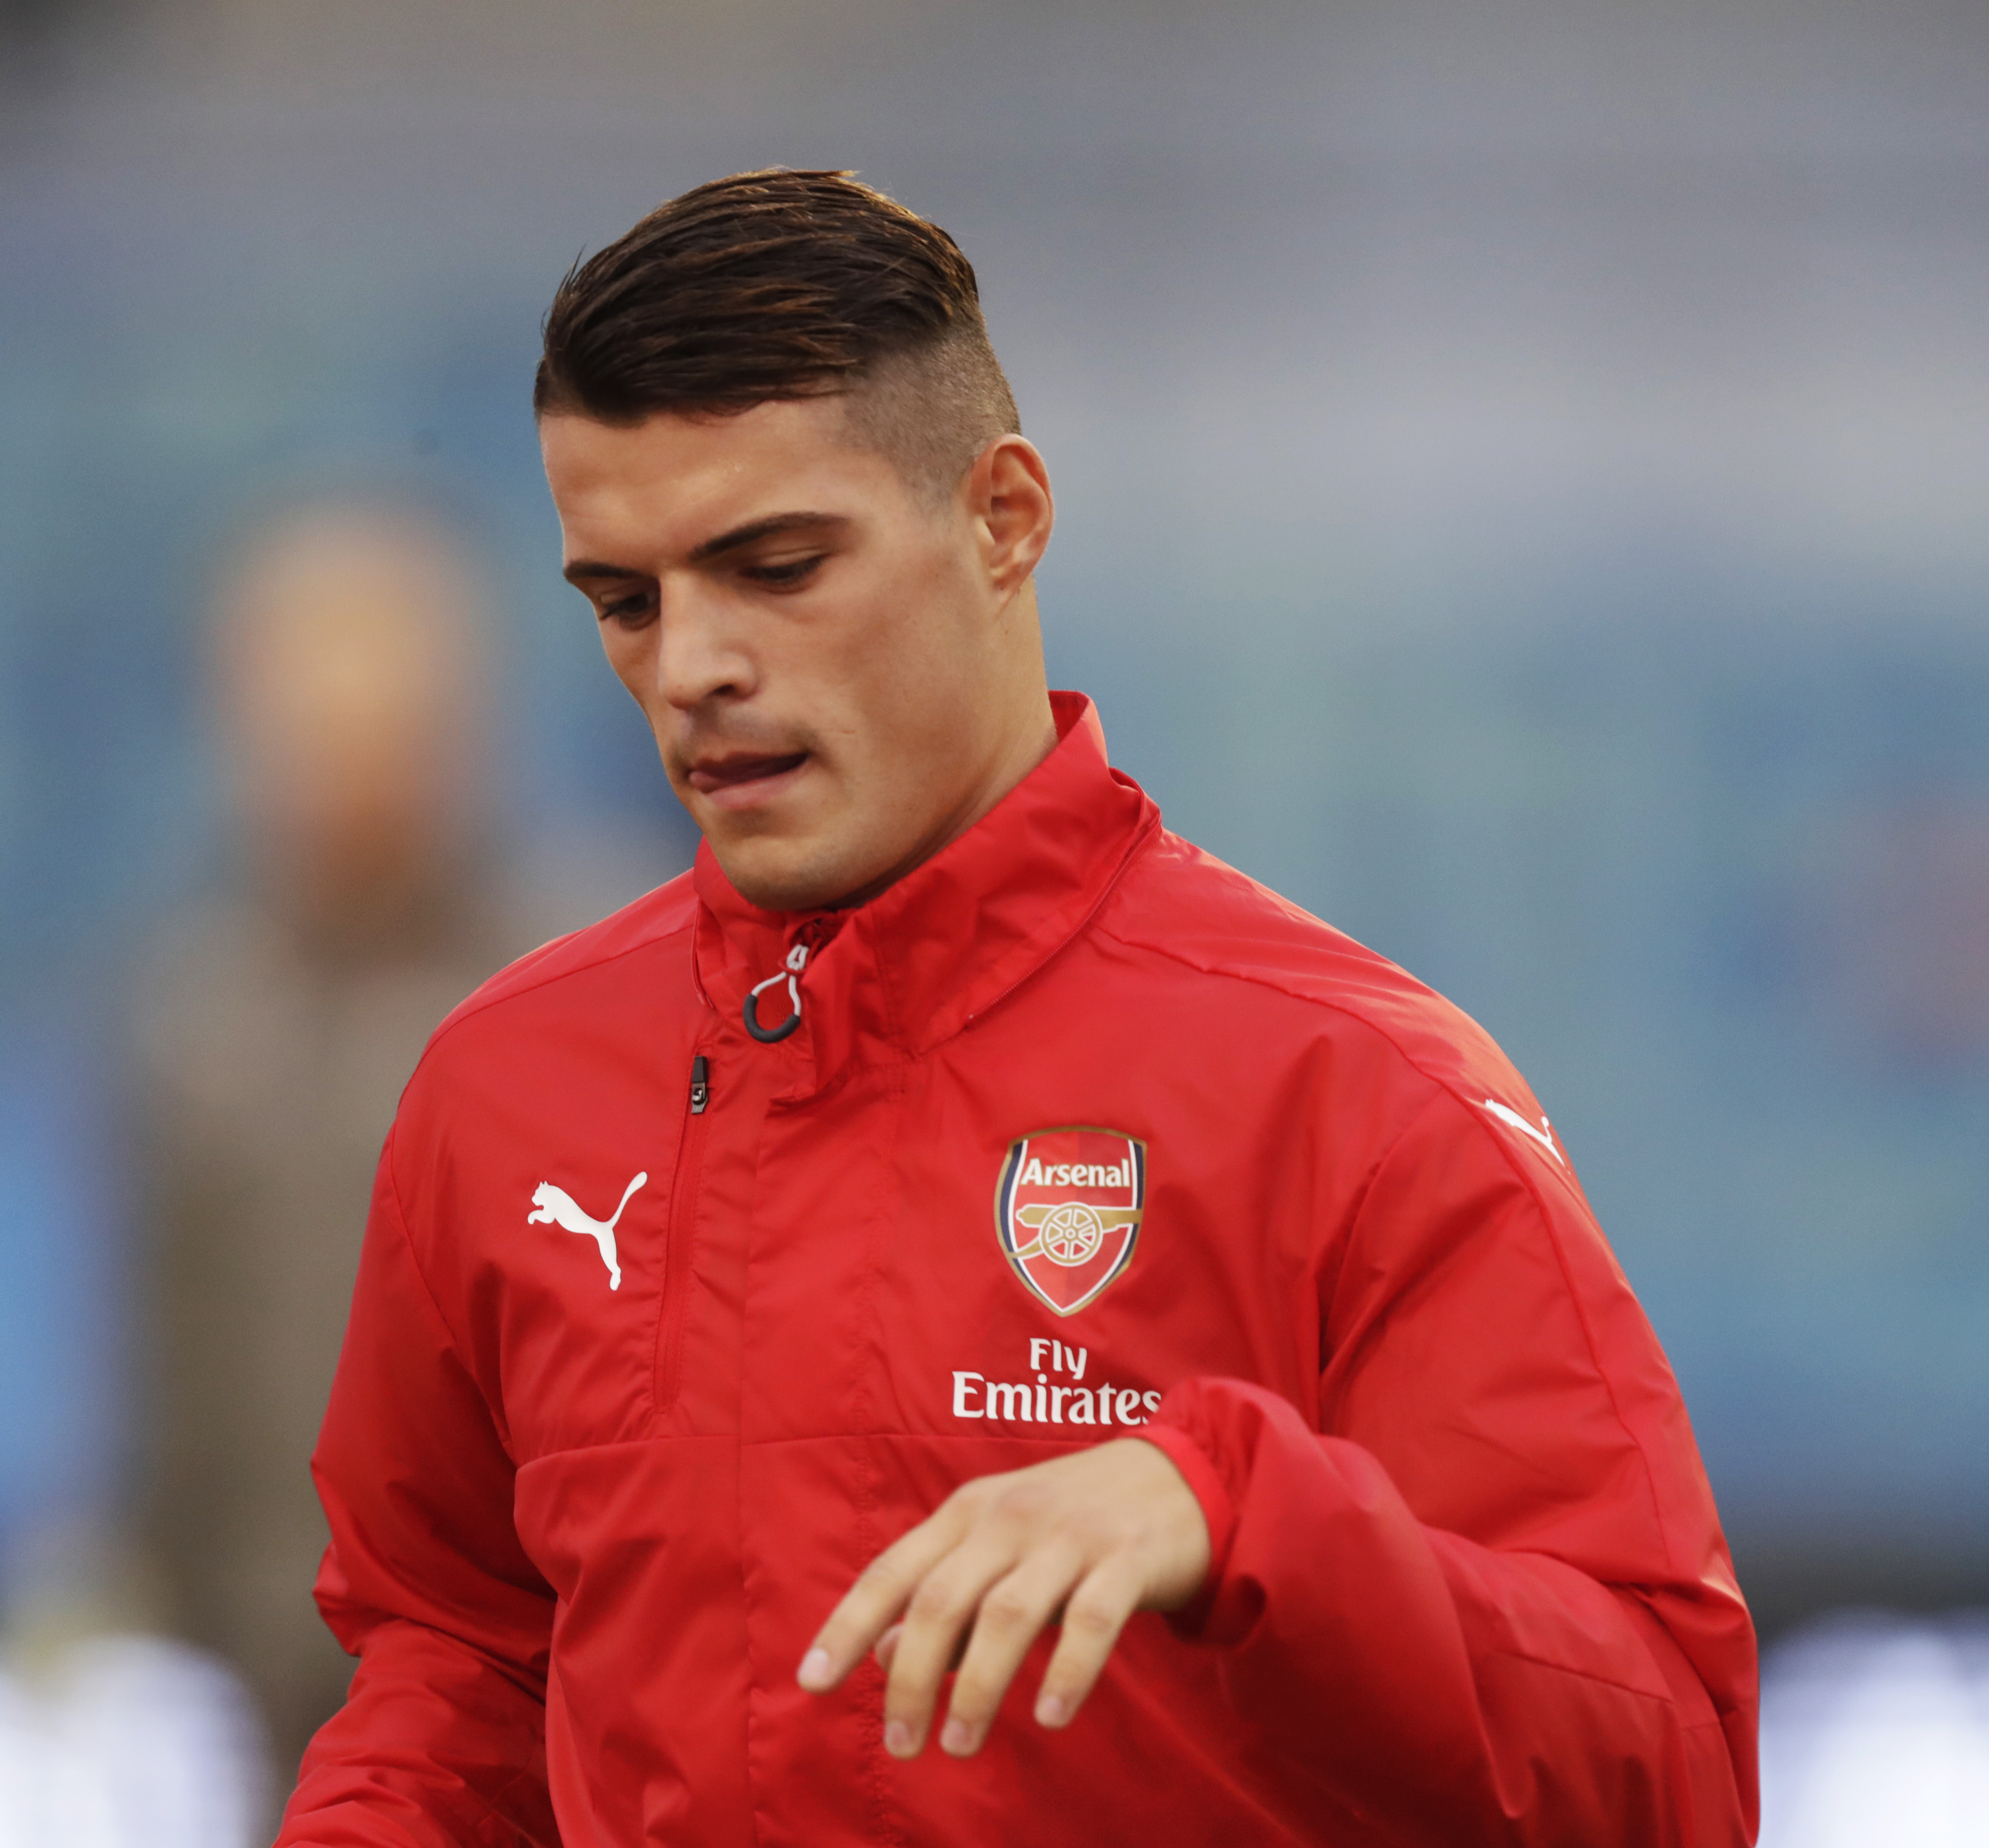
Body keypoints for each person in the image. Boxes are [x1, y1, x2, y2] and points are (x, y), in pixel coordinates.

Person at [277, 171, 1759, 1846]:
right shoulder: (508, 1082)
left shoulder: (1351, 1081)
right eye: (624, 598)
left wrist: (1246, 1511)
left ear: (1002, 517)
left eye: (772, 565)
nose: (688, 662)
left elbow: (1670, 1770)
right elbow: (464, 1658)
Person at [128, 499, 512, 1792]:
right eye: (306, 714)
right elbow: (162, 1369)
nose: (344, 756)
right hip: (263, 1677)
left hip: (521, 1675)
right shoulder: (187, 1011)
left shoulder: (572, 984)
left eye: (381, 711)